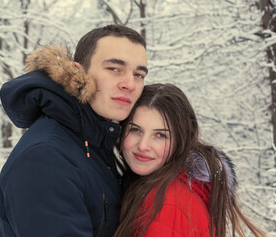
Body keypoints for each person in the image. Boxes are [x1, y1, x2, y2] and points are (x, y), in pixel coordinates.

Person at [0, 25, 148, 237]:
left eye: (139, 74)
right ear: (78, 72)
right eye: (114, 69)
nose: (130, 84)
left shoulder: (96, 142)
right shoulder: (46, 157)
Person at [113, 84, 264, 237]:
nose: (143, 145)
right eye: (135, 130)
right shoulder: (175, 188)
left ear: (181, 141)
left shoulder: (167, 205)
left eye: (160, 135)